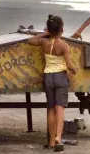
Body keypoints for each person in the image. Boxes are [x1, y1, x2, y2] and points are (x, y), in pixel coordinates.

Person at [28, 15, 76, 151]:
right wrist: (75, 71)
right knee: (59, 108)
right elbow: (70, 65)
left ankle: (51, 141)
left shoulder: (44, 42)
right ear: (62, 29)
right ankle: (58, 137)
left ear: (49, 29)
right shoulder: (64, 46)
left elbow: (30, 40)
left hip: (47, 77)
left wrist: (45, 33)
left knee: (50, 109)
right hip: (60, 77)